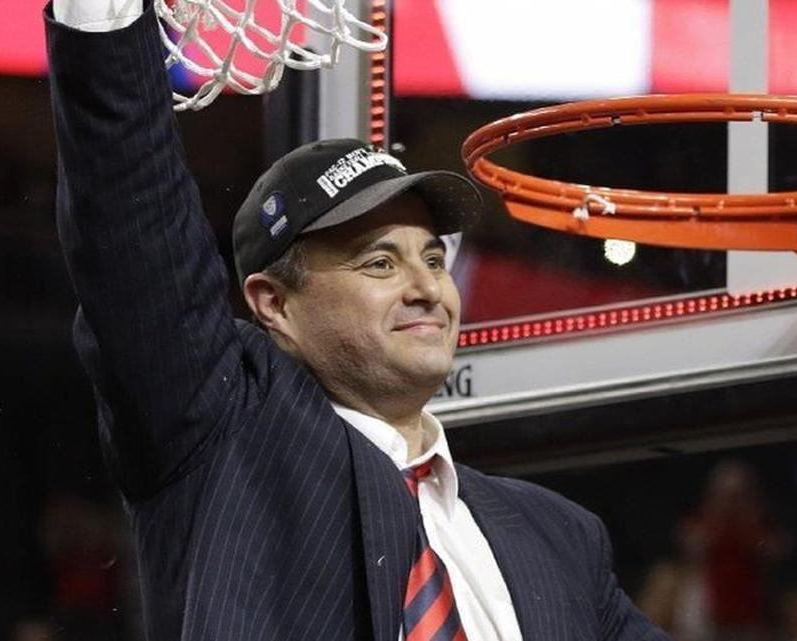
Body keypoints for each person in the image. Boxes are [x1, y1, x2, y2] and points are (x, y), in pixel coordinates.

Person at [44, 1, 671, 640]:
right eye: (379, 264)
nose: (428, 287)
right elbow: (133, 218)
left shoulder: (561, 537)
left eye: (434, 258)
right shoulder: (222, 431)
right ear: (275, 305)